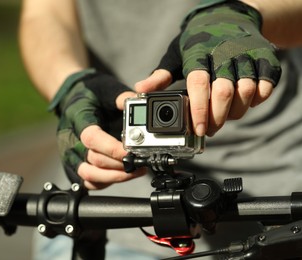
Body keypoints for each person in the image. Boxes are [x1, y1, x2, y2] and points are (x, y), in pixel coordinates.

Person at [19, 0, 302, 259]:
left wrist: (240, 14)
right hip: (113, 213)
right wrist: (69, 85)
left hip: (283, 192)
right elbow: (46, 12)